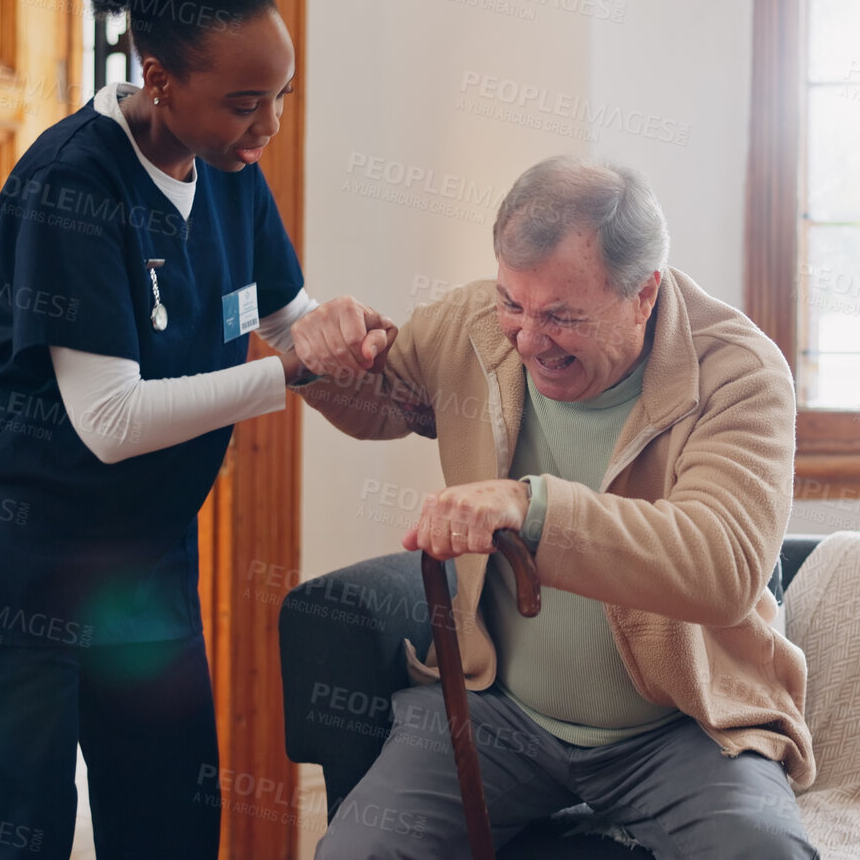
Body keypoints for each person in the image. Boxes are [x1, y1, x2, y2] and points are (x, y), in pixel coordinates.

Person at [0, 0, 347, 858]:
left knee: (172, 825)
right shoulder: (74, 181)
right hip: (3, 562)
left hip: (136, 565)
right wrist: (292, 373)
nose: (266, 126)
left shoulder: (229, 171)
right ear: (158, 76)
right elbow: (110, 420)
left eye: (279, 96)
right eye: (244, 101)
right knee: (18, 834)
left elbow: (293, 325)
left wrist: (380, 364)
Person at [286, 157, 818, 858]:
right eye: (513, 302)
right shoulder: (475, 324)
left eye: (562, 316)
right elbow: (385, 401)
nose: (528, 338)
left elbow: (723, 565)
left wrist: (528, 506)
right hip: (497, 711)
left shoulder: (738, 370)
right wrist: (324, 355)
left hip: (683, 725)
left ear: (642, 293)